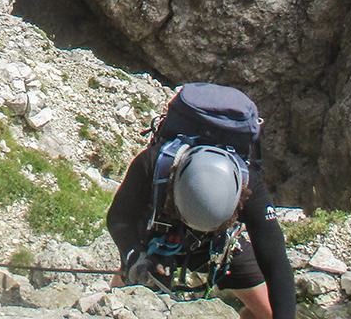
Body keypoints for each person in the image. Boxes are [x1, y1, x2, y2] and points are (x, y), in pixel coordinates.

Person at [105, 84, 296, 319]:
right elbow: (120, 216)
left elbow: (276, 263)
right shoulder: (153, 164)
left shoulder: (249, 186)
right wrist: (134, 255)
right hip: (160, 235)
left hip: (221, 244)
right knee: (123, 304)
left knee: (270, 314)